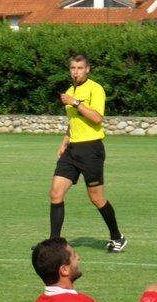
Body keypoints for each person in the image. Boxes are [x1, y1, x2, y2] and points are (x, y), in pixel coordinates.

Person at [49, 54, 126, 253]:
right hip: (72, 150)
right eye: (73, 68)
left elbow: (97, 118)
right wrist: (63, 143)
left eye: (80, 68)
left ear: (87, 69)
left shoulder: (95, 89)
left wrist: (76, 103)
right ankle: (54, 244)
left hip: (91, 149)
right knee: (55, 193)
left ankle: (117, 237)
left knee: (96, 198)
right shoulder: (69, 91)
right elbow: (73, 123)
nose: (76, 72)